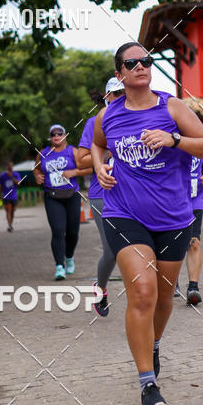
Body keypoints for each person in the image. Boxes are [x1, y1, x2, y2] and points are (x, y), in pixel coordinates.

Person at [91, 42, 203, 405]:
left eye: (147, 61)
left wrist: (174, 139)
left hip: (174, 218)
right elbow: (97, 146)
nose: (142, 66)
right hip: (124, 214)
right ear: (120, 73)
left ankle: (154, 343)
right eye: (133, 62)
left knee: (163, 297)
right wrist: (99, 166)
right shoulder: (108, 116)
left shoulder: (172, 107)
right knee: (142, 292)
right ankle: (148, 383)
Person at [76, 77, 124, 316]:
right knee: (113, 251)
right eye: (114, 94)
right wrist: (105, 152)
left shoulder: (137, 119)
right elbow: (81, 159)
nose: (119, 98)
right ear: (107, 97)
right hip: (103, 195)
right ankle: (101, 288)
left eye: (123, 93)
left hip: (134, 194)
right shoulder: (95, 122)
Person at [34, 124, 92, 280]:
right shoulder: (44, 153)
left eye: (60, 133)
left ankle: (69, 256)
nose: (56, 136)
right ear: (50, 137)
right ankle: (59, 266)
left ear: (65, 135)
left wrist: (74, 172)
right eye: (53, 134)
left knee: (72, 232)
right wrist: (37, 176)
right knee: (58, 231)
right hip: (52, 196)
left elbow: (90, 168)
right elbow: (37, 169)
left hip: (72, 195)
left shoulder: (72, 151)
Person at [182, 156, 203, 305]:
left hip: (194, 201)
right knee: (170, 244)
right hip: (170, 202)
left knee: (193, 243)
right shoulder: (170, 138)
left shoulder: (202, 141)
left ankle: (193, 288)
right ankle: (170, 283)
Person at [0, 160, 22, 232]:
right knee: (8, 210)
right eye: (9, 166)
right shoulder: (2, 175)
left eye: (12, 165)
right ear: (7, 167)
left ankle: (11, 224)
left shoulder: (16, 174)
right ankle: (10, 225)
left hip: (14, 195)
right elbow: (0, 186)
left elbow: (19, 183)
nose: (11, 167)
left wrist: (11, 177)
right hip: (6, 195)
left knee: (13, 211)